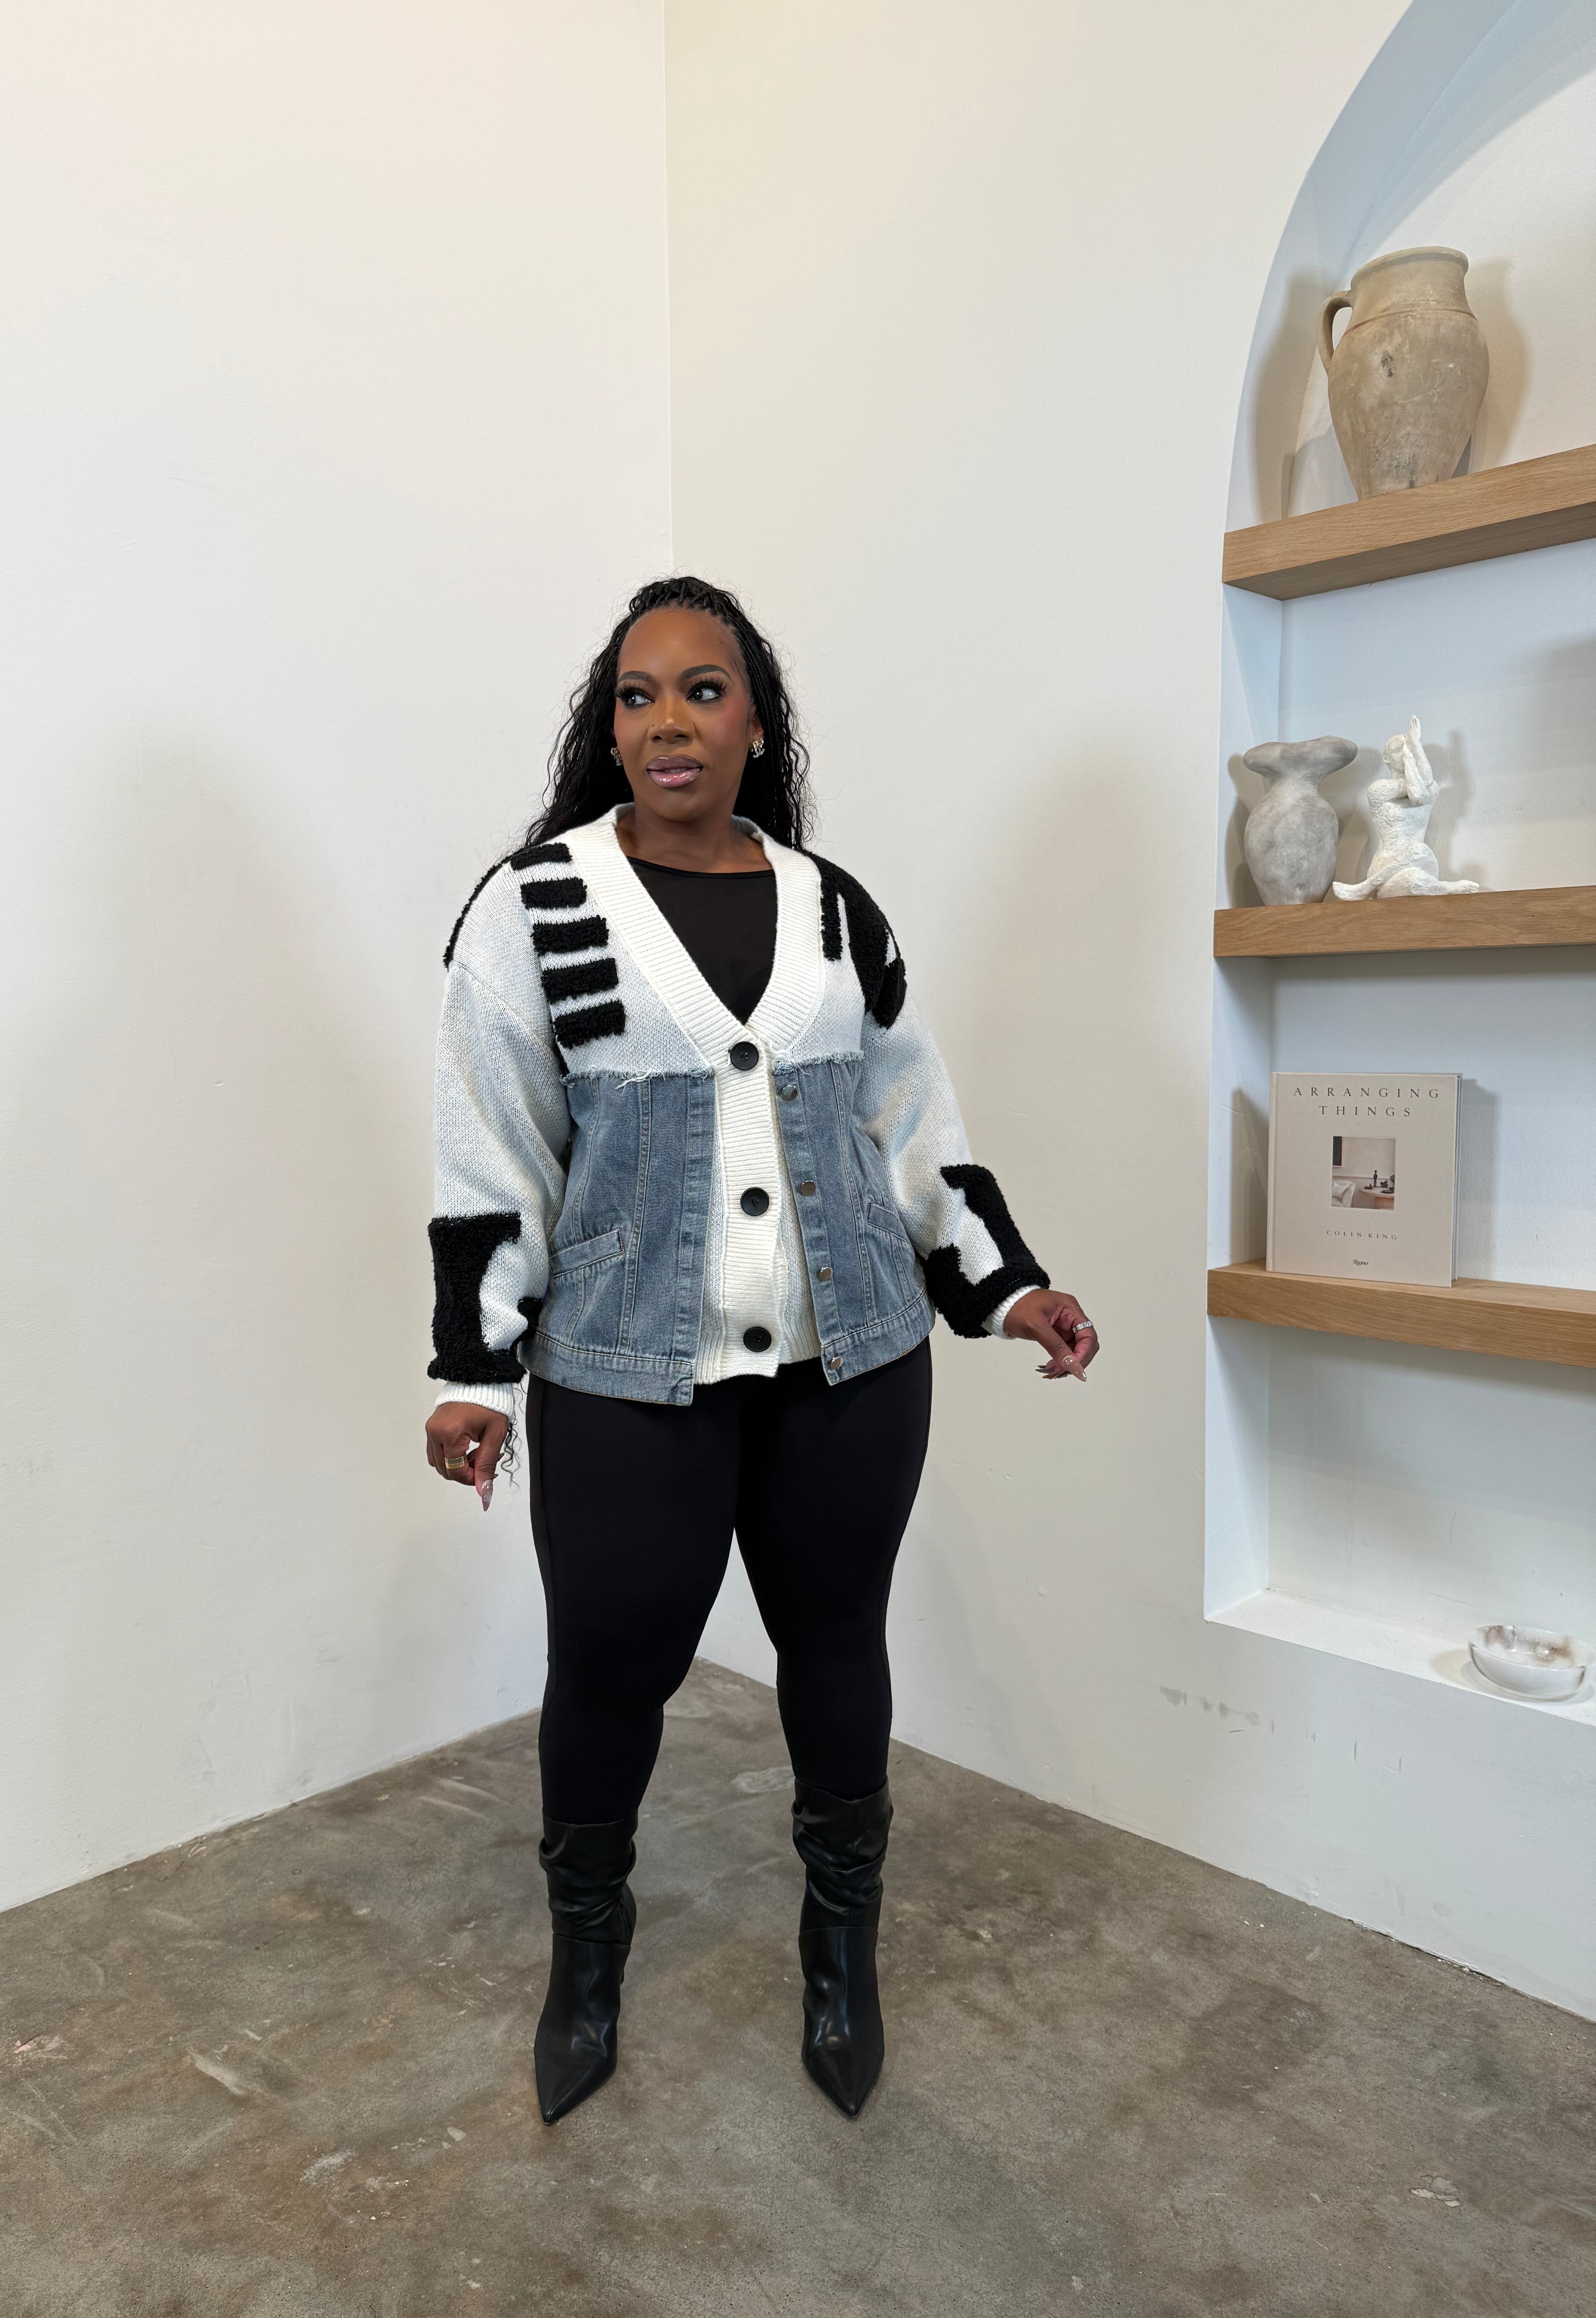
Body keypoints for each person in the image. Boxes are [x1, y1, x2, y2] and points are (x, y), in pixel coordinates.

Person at [424, 575, 1098, 2125]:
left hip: (851, 1364)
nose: (668, 721)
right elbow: (490, 1154)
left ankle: (839, 1956)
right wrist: (474, 1373)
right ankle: (587, 1961)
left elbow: (911, 1122)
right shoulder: (531, 909)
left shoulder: (834, 909)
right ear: (609, 728)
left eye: (703, 689)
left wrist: (1006, 1287)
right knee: (609, 1670)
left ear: (756, 720)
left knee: (837, 1647)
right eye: (637, 695)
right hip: (621, 1372)